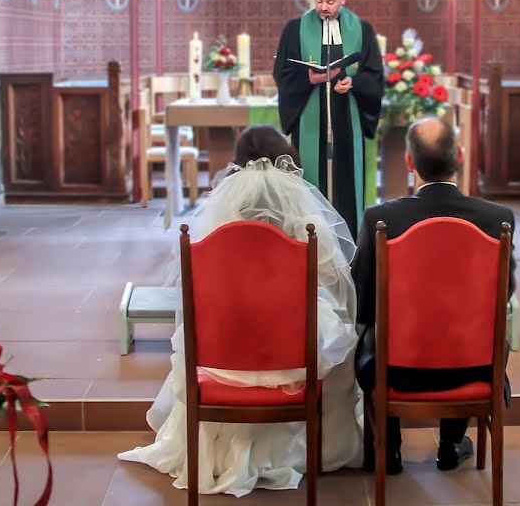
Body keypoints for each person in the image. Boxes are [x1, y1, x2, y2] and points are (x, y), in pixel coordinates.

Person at [119, 126, 363, 496]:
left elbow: (198, 289)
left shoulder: (215, 227)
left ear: (238, 164)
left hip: (226, 348)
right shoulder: (304, 219)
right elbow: (333, 278)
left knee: (197, 334)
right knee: (336, 332)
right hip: (291, 350)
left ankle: (220, 448)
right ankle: (313, 448)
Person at [352, 117, 517, 474]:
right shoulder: (497, 218)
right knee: (469, 328)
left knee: (373, 329)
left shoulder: (380, 218)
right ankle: (451, 443)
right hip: (474, 367)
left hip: (396, 369)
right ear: (458, 155)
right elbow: (506, 293)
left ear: (409, 162)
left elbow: (363, 299)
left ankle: (390, 449)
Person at [273, 0, 384, 236]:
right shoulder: (294, 29)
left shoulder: (362, 29)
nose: (324, 7)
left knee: (348, 183)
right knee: (310, 180)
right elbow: (282, 72)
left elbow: (375, 74)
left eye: (331, 2)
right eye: (319, 1)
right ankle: (312, 242)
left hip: (349, 119)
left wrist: (353, 82)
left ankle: (350, 243)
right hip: (310, 119)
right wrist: (307, 78)